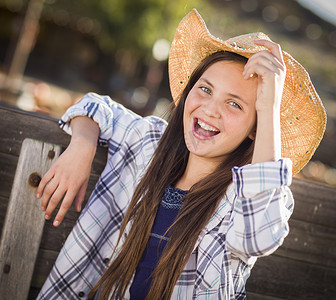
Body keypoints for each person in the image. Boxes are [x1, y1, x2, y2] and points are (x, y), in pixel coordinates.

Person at [36, 9, 326, 300]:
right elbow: (95, 107)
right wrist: (82, 145)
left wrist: (269, 107)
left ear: (256, 129)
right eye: (205, 89)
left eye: (235, 105)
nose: (210, 109)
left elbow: (259, 238)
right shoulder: (149, 144)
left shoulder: (244, 199)